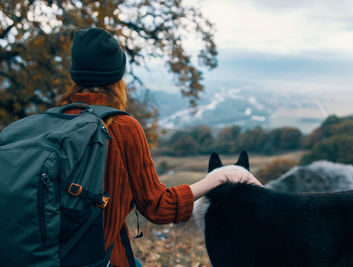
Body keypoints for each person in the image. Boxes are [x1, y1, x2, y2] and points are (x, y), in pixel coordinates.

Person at [58, 27, 261, 267]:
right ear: (117, 78)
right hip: (99, 259)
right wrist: (219, 178)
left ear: (75, 76)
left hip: (45, 255)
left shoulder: (55, 121)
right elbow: (159, 208)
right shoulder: (122, 127)